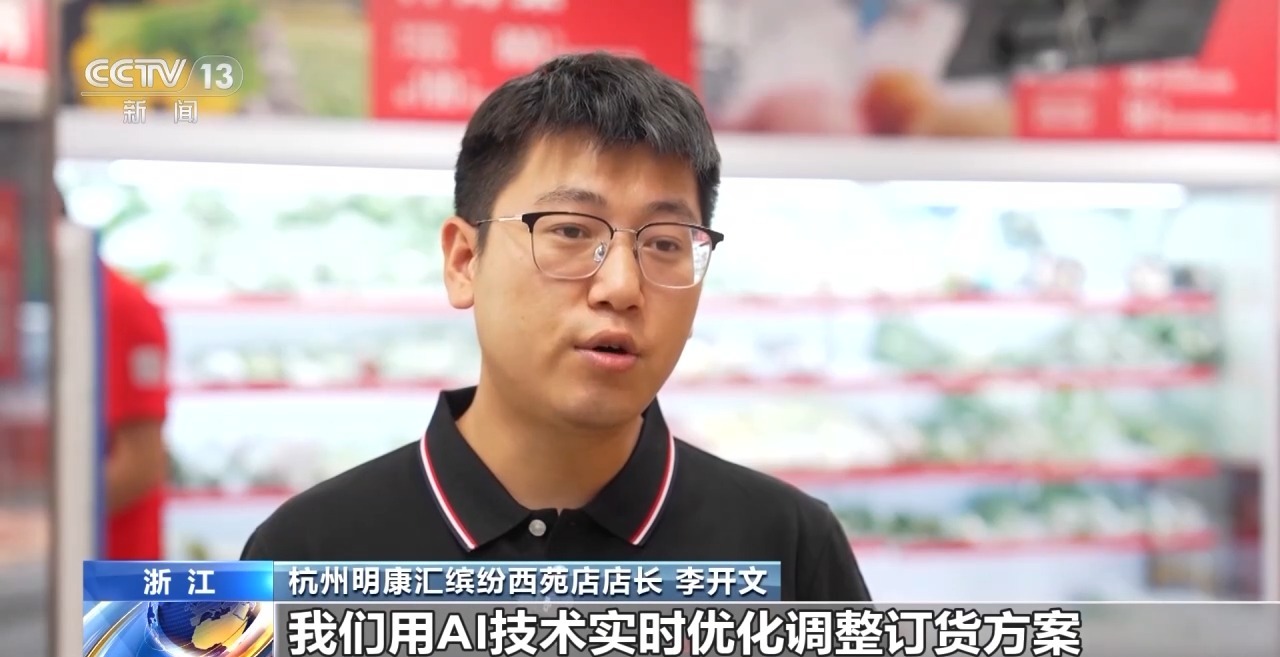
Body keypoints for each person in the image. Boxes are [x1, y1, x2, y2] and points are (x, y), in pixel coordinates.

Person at [241, 52, 872, 601]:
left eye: (665, 243)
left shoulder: (789, 547)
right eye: (570, 230)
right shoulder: (299, 554)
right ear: (464, 262)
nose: (621, 287)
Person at [56, 187, 170, 560]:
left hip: (111, 565)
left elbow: (141, 463)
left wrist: (45, 518)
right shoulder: (43, 304)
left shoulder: (120, 306)